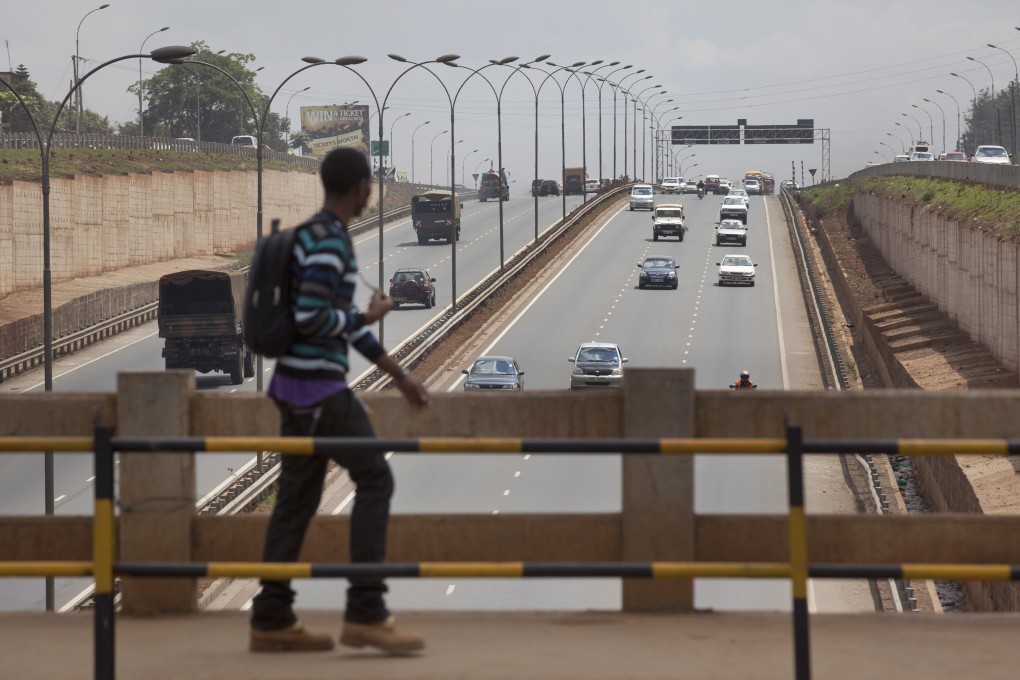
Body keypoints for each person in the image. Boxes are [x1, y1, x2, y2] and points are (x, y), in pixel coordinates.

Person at [249, 147, 431, 655]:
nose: (371, 190)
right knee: (376, 477)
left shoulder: (314, 235)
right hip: (319, 391)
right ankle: (366, 612)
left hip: (293, 386)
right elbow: (314, 319)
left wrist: (402, 377)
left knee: (295, 501)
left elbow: (339, 326)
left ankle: (271, 618)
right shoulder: (330, 242)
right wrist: (368, 318)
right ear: (358, 187)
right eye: (369, 183)